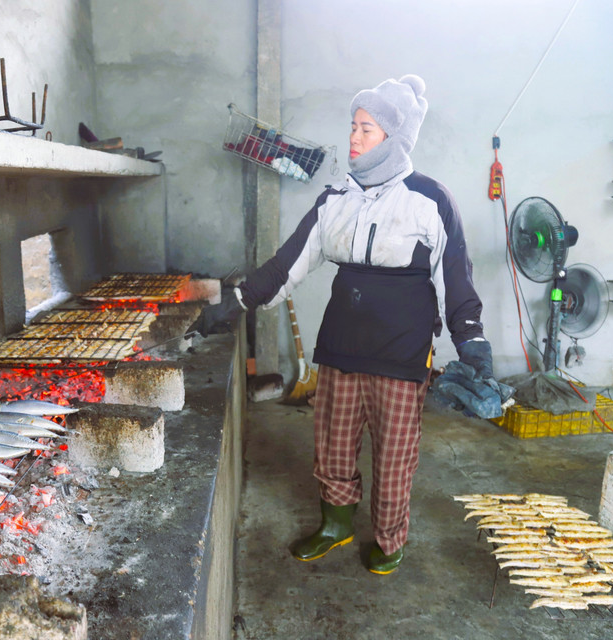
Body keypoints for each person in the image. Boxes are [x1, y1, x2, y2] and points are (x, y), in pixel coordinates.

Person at [189, 75, 495, 575]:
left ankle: (391, 540)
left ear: (394, 139)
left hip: (401, 353)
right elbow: (289, 262)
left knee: (395, 457)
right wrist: (237, 300)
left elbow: (456, 277)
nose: (353, 138)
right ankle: (336, 524)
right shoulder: (336, 198)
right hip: (340, 347)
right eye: (353, 126)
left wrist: (473, 343)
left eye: (366, 129)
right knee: (331, 445)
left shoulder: (429, 200)